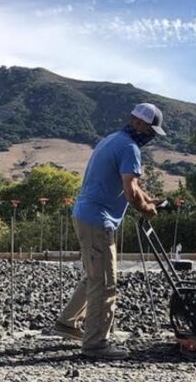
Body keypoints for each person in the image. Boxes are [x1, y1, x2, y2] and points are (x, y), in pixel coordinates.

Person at [52, 103, 165, 360]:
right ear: (139, 124)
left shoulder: (112, 140)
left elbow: (132, 185)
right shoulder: (130, 148)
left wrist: (149, 200)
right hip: (98, 220)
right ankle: (96, 345)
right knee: (105, 283)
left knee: (94, 276)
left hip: (85, 214)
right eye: (151, 131)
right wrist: (147, 210)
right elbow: (131, 192)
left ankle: (67, 322)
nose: (151, 137)